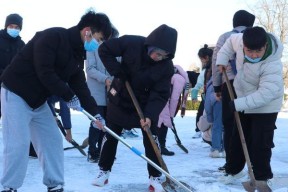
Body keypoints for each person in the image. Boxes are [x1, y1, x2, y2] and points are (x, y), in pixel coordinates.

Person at [0, 10, 111, 192]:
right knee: (18, 144)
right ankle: (9, 187)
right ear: (87, 31)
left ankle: (55, 184)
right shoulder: (53, 36)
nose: (98, 44)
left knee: (52, 140)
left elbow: (80, 85)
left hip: (38, 101)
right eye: (98, 39)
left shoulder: (77, 54)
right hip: (16, 93)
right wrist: (69, 96)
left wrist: (95, 113)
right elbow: (45, 72)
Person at [94, 24, 177, 192]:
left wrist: (150, 115)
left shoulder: (166, 67)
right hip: (120, 99)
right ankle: (104, 171)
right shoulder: (132, 43)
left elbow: (160, 93)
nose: (157, 57)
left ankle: (155, 176)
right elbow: (104, 50)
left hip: (144, 106)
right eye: (156, 52)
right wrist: (117, 70)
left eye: (162, 56)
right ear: (150, 45)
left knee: (151, 139)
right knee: (110, 136)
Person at [216, 26, 284, 187]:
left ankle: (262, 176)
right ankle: (234, 170)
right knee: (238, 138)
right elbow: (227, 44)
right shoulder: (238, 40)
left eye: (258, 51)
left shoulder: (272, 63)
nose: (254, 55)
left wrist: (238, 104)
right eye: (249, 51)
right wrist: (222, 60)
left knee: (260, 142)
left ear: (265, 47)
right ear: (243, 45)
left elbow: (266, 93)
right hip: (245, 98)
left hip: (266, 106)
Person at [212, 10, 255, 172]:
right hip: (253, 85)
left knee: (230, 124)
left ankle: (232, 163)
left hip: (230, 84)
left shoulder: (225, 37)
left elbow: (217, 62)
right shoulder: (256, 35)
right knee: (251, 121)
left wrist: (216, 86)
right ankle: (252, 159)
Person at [85, 25, 119, 163]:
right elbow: (90, 69)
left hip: (111, 93)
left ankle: (104, 151)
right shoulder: (92, 48)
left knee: (108, 123)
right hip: (96, 93)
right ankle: (93, 152)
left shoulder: (115, 51)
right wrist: (105, 79)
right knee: (97, 122)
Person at [157, 65, 189, 156]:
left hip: (157, 98)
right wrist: (170, 116)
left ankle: (157, 146)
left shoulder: (173, 73)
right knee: (163, 123)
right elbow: (174, 98)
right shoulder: (180, 79)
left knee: (158, 123)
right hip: (162, 100)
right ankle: (161, 147)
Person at [0, 13, 25, 119]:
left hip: (13, 87)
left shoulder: (21, 44)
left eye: (17, 27)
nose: (14, 29)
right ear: (6, 26)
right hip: (1, 81)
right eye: (11, 26)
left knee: (10, 117)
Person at [191, 44, 213, 139]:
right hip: (207, 97)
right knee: (202, 113)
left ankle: (208, 135)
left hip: (210, 97)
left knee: (207, 115)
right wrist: (194, 94)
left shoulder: (209, 70)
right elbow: (199, 84)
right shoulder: (205, 71)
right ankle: (198, 130)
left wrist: (194, 94)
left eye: (201, 60)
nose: (202, 62)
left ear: (206, 58)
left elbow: (198, 84)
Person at [204, 77, 224, 158]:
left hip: (217, 101)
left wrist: (209, 116)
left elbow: (208, 103)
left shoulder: (213, 83)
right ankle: (226, 149)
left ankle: (215, 149)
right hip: (230, 101)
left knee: (217, 126)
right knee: (227, 126)